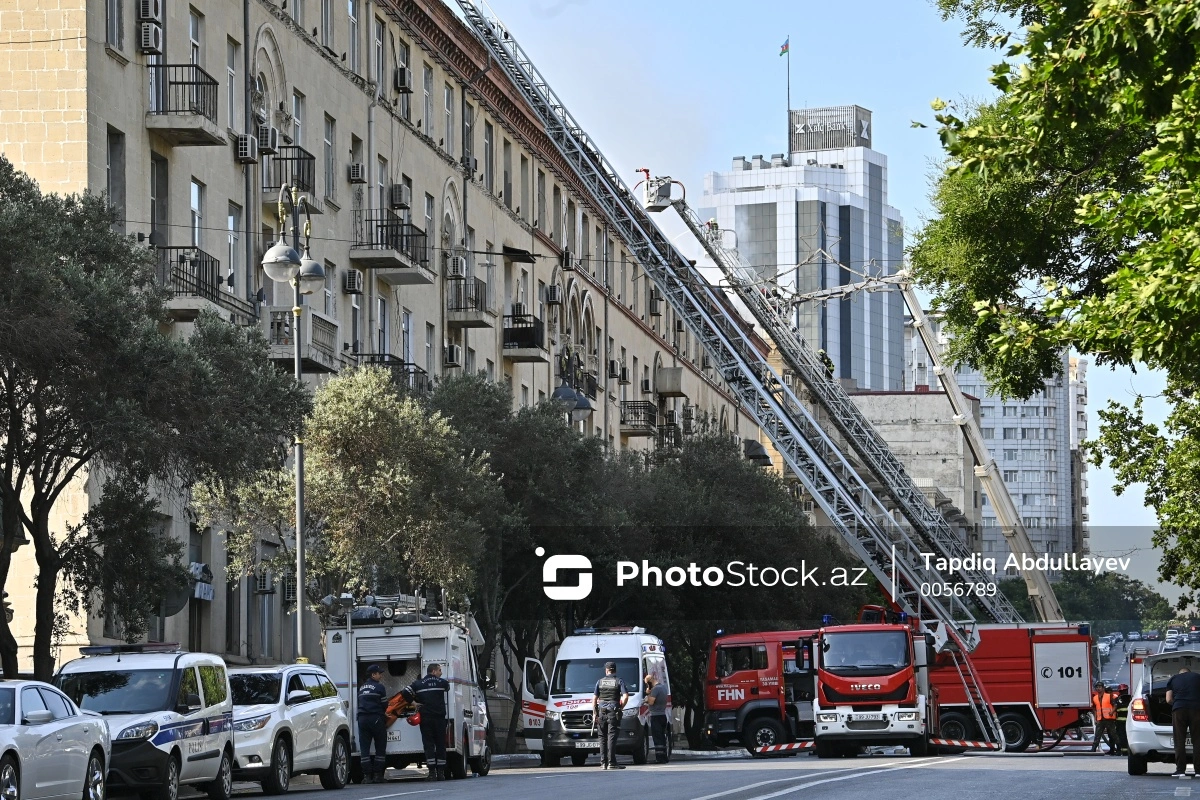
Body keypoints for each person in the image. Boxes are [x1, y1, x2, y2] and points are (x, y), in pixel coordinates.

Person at [408, 664, 451, 780]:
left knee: (428, 745)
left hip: (425, 719)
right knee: (441, 745)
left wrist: (414, 703)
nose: (441, 673)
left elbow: (405, 693)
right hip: (439, 719)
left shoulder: (418, 684)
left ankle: (432, 773)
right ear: (433, 671)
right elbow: (448, 688)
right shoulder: (442, 683)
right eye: (439, 670)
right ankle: (441, 773)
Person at [593, 661, 629, 770]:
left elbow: (594, 699)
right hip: (613, 712)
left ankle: (603, 763)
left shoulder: (599, 682)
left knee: (602, 737)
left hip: (601, 712)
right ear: (615, 670)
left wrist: (595, 713)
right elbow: (626, 696)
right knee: (611, 736)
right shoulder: (619, 681)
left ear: (606, 670)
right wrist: (621, 707)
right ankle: (612, 762)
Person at [357, 665, 389, 783]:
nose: (380, 675)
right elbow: (385, 705)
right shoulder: (379, 687)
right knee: (380, 746)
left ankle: (366, 777)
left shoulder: (361, 688)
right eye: (379, 673)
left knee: (364, 748)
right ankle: (377, 775)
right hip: (375, 718)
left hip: (362, 719)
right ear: (373, 675)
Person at [1167, 666, 1200, 777]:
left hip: (1179, 709)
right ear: (1189, 672)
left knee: (1179, 740)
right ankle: (1199, 771)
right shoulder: (1198, 677)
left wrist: (1177, 703)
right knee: (1197, 740)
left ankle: (1180, 770)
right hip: (1196, 709)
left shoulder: (1173, 679)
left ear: (1180, 673)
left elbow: (1168, 699)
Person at [645, 673, 669, 763]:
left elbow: (651, 702)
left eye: (647, 683)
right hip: (663, 715)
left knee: (657, 738)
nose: (647, 685)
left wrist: (647, 696)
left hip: (656, 716)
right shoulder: (663, 687)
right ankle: (664, 757)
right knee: (662, 737)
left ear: (650, 682)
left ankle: (659, 758)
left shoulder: (655, 689)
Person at [1090, 681, 1119, 754]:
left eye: (1100, 687)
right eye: (1097, 687)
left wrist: (1112, 712)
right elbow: (1094, 708)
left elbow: (1115, 705)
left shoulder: (1108, 696)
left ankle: (1119, 749)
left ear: (1103, 688)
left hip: (1109, 719)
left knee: (1113, 735)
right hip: (1100, 719)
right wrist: (1096, 718)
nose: (1098, 688)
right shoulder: (1095, 698)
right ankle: (1093, 749)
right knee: (1097, 735)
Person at [1113, 683, 1131, 756]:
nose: (1124, 692)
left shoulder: (1117, 700)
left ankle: (1124, 751)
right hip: (1125, 722)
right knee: (1124, 736)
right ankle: (1124, 751)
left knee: (1123, 736)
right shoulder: (1131, 698)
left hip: (1122, 722)